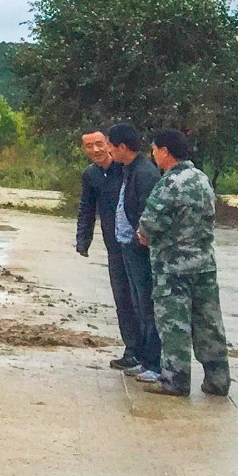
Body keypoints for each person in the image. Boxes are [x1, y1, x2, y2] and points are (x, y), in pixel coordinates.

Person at [135, 127, 231, 398]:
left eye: (154, 150)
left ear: (165, 151)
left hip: (173, 268)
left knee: (174, 324)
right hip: (205, 266)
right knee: (209, 323)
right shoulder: (202, 179)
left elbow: (149, 225)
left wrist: (144, 236)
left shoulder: (169, 183)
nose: (153, 156)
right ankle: (218, 379)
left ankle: (175, 380)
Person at [75, 130, 149, 372]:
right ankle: (131, 349)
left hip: (136, 245)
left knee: (142, 298)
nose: (95, 150)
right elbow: (86, 209)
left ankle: (148, 354)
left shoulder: (125, 169)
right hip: (113, 246)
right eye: (89, 146)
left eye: (99, 144)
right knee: (122, 299)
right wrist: (83, 241)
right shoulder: (90, 175)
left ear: (109, 144)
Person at [105, 123, 163, 381]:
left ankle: (154, 362)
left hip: (139, 248)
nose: (108, 151)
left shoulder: (145, 173)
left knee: (147, 305)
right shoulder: (129, 170)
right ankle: (143, 358)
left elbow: (148, 212)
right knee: (138, 304)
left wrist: (142, 237)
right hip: (127, 246)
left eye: (110, 146)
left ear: (122, 147)